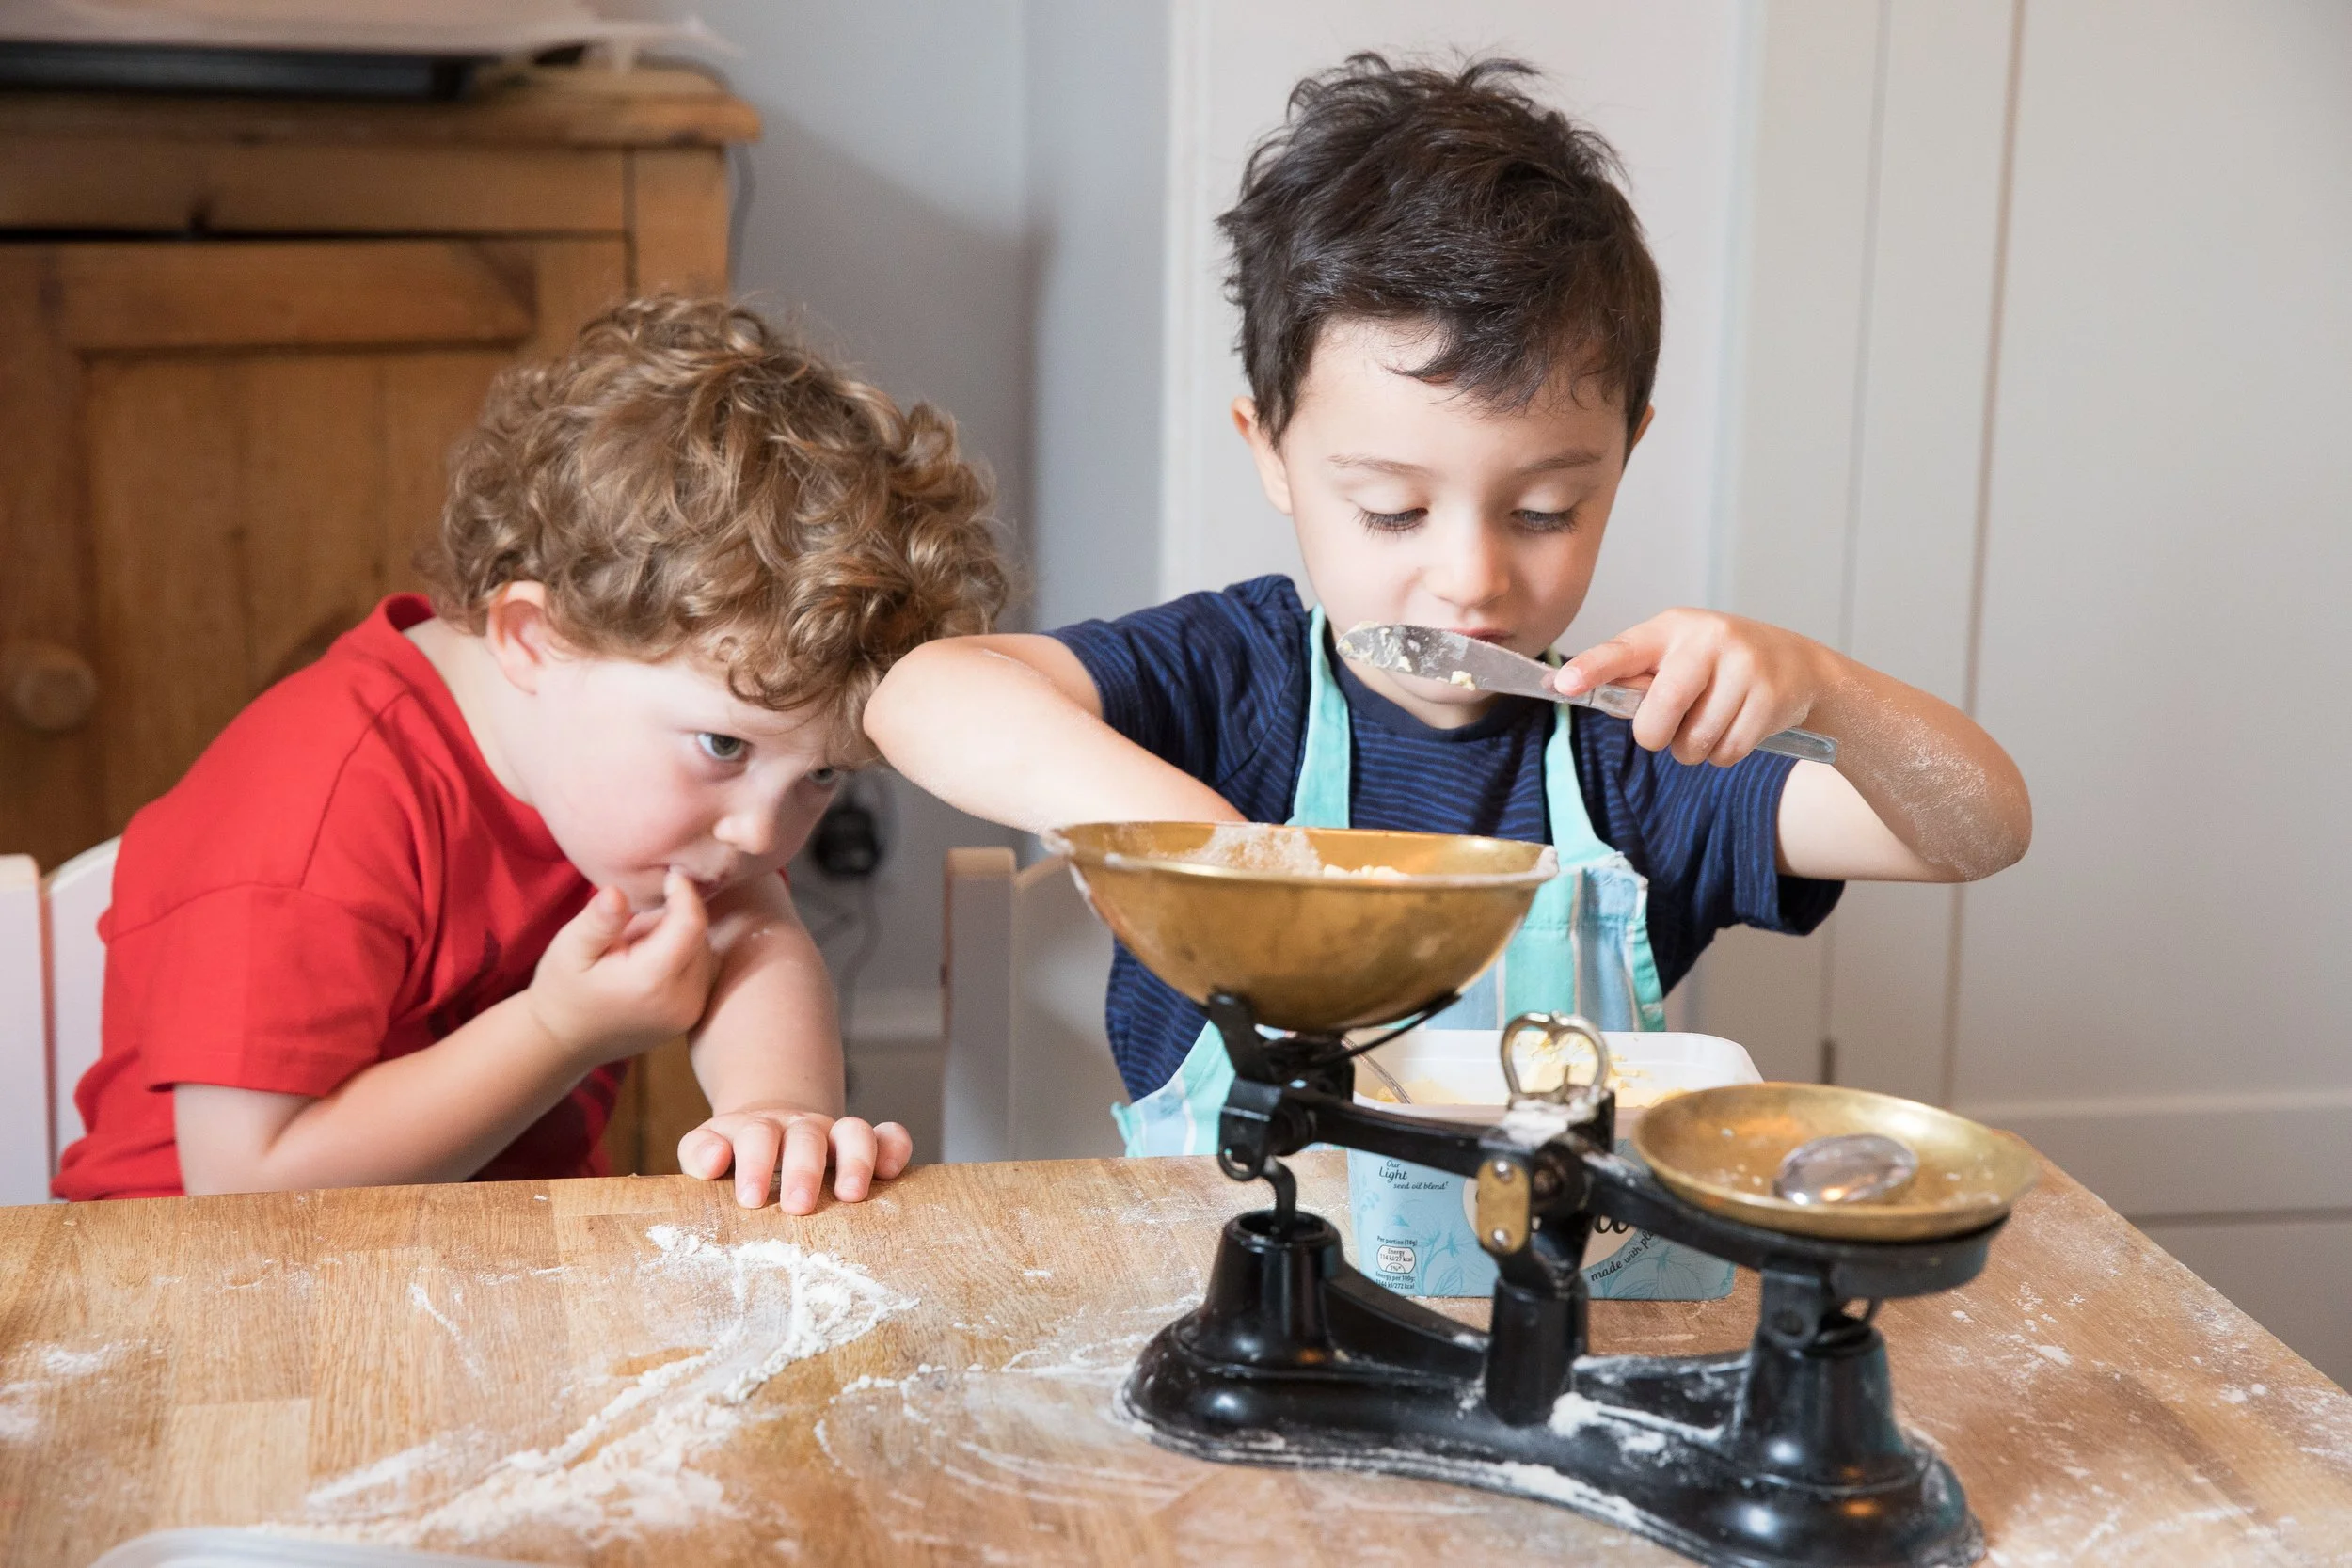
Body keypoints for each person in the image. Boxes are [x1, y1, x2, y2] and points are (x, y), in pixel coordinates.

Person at [864, 55, 2031, 1154]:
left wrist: (1823, 685)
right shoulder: (1234, 682)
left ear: (1623, 458)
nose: (1470, 579)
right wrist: (1214, 850)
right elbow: (920, 693)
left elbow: (1977, 829)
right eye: (1389, 510)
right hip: (1218, 1284)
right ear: (1269, 452)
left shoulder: (1636, 757)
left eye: (1542, 512)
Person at [56, 296, 1008, 1206]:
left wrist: (779, 1110)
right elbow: (247, 1185)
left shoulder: (635, 782)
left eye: (820, 775)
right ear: (532, 639)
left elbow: (753, 933)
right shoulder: (315, 806)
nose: (764, 830)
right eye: (725, 744)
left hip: (488, 1268)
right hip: (202, 1289)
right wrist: (558, 1030)